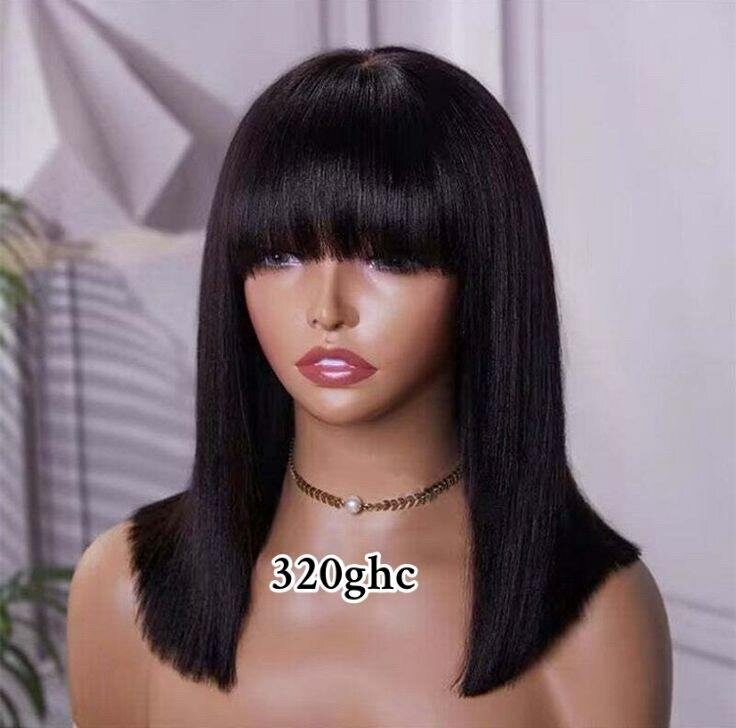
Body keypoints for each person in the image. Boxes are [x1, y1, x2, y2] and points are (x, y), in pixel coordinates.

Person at [66, 45, 672, 727]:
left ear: (484, 273)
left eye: (390, 258)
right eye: (280, 255)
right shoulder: (123, 590)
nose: (327, 309)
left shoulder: (597, 616)